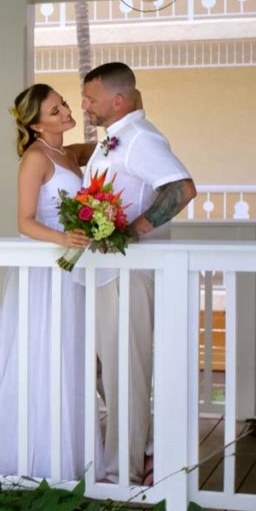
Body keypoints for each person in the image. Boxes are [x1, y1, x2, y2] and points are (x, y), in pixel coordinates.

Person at [0, 84, 104, 481]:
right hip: (46, 272)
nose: (64, 110)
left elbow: (108, 150)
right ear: (35, 123)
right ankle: (36, 458)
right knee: (42, 354)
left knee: (70, 356)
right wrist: (66, 237)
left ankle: (72, 458)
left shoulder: (71, 153)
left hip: (73, 270)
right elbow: (24, 221)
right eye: (54, 110)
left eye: (62, 103)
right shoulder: (35, 157)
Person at [79, 62, 196, 485]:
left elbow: (181, 188)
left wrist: (132, 231)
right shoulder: (115, 140)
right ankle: (144, 453)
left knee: (125, 372)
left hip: (130, 274)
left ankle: (120, 473)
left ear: (118, 100)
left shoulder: (141, 139)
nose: (84, 105)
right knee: (104, 368)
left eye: (90, 98)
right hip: (108, 275)